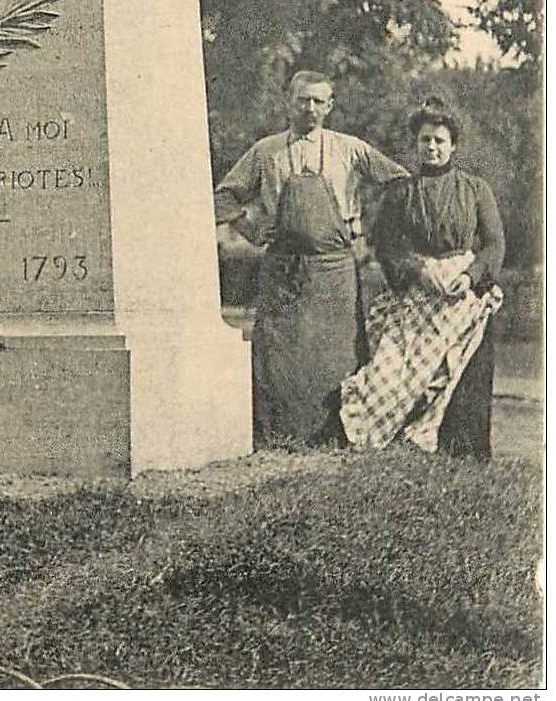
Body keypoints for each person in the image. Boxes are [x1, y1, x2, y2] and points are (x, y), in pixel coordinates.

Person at [213, 70, 407, 447]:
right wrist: (250, 228)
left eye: (319, 101)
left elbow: (400, 183)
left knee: (338, 355)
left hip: (336, 272)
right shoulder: (265, 152)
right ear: (289, 102)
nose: (311, 108)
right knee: (277, 354)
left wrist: (371, 227)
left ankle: (339, 435)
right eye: (304, 100)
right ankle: (275, 436)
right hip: (283, 270)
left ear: (330, 106)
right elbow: (223, 197)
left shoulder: (352, 149)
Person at [341, 97, 504, 458]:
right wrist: (418, 268)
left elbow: (494, 244)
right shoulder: (401, 191)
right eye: (425, 140)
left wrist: (470, 275)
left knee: (455, 359)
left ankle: (449, 443)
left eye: (439, 141)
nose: (431, 147)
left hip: (461, 289)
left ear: (453, 145)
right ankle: (389, 434)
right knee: (391, 368)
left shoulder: (475, 189)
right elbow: (385, 245)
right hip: (416, 290)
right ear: (416, 144)